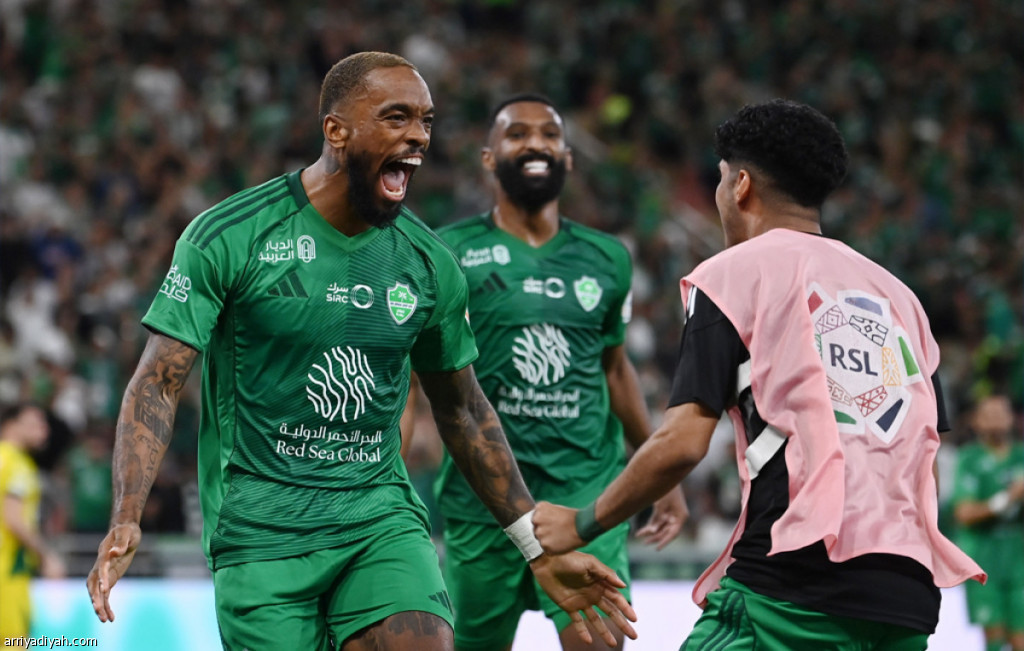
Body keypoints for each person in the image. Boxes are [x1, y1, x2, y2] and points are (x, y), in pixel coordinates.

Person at [85, 52, 636, 651]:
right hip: (260, 531)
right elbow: (158, 381)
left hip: (378, 519)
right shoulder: (231, 236)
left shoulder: (428, 262)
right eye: (397, 117)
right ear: (336, 130)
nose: (419, 136)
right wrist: (126, 515)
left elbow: (463, 409)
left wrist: (533, 543)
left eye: (426, 121)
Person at [532, 99, 986, 649]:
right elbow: (923, 451)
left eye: (721, 179)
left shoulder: (732, 275)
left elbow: (682, 443)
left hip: (793, 587)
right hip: (907, 596)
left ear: (741, 185)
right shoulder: (901, 298)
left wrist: (580, 524)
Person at [424, 93, 687, 651]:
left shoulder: (607, 258)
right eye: (517, 134)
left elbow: (615, 370)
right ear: (488, 157)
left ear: (568, 158)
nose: (536, 143)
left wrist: (661, 473)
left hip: (584, 495)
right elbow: (417, 378)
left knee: (600, 643)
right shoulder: (449, 252)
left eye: (549, 134)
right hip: (484, 501)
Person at [951, 394, 1024, 651]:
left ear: (1012, 418)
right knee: (994, 638)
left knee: (1020, 639)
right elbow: (964, 512)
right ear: (977, 421)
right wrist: (1008, 499)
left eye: (1000, 413)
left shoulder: (1021, 456)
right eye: (989, 414)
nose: (996, 420)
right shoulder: (969, 459)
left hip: (1019, 562)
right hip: (984, 560)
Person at [1, 402, 64, 640]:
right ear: (11, 425)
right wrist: (47, 556)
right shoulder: (18, 464)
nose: (44, 430)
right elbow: (13, 519)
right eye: (36, 423)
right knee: (13, 641)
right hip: (7, 571)